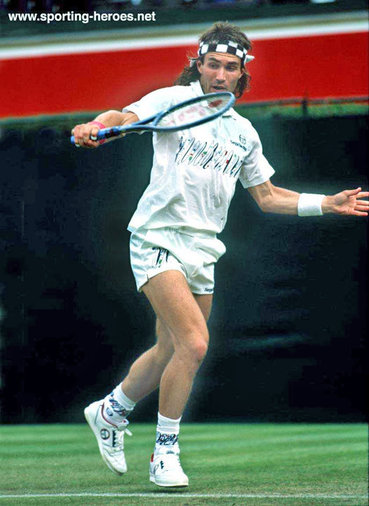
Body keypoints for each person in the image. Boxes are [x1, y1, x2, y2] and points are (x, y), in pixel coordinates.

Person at [71, 22, 368, 488]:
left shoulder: (244, 132)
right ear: (200, 65)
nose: (221, 74)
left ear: (241, 73)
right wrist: (95, 125)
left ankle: (110, 411)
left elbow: (268, 197)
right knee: (194, 344)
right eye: (213, 64)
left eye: (231, 67)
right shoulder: (170, 101)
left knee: (169, 347)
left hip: (203, 248)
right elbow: (123, 116)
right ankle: (164, 453)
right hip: (157, 236)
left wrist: (327, 203)